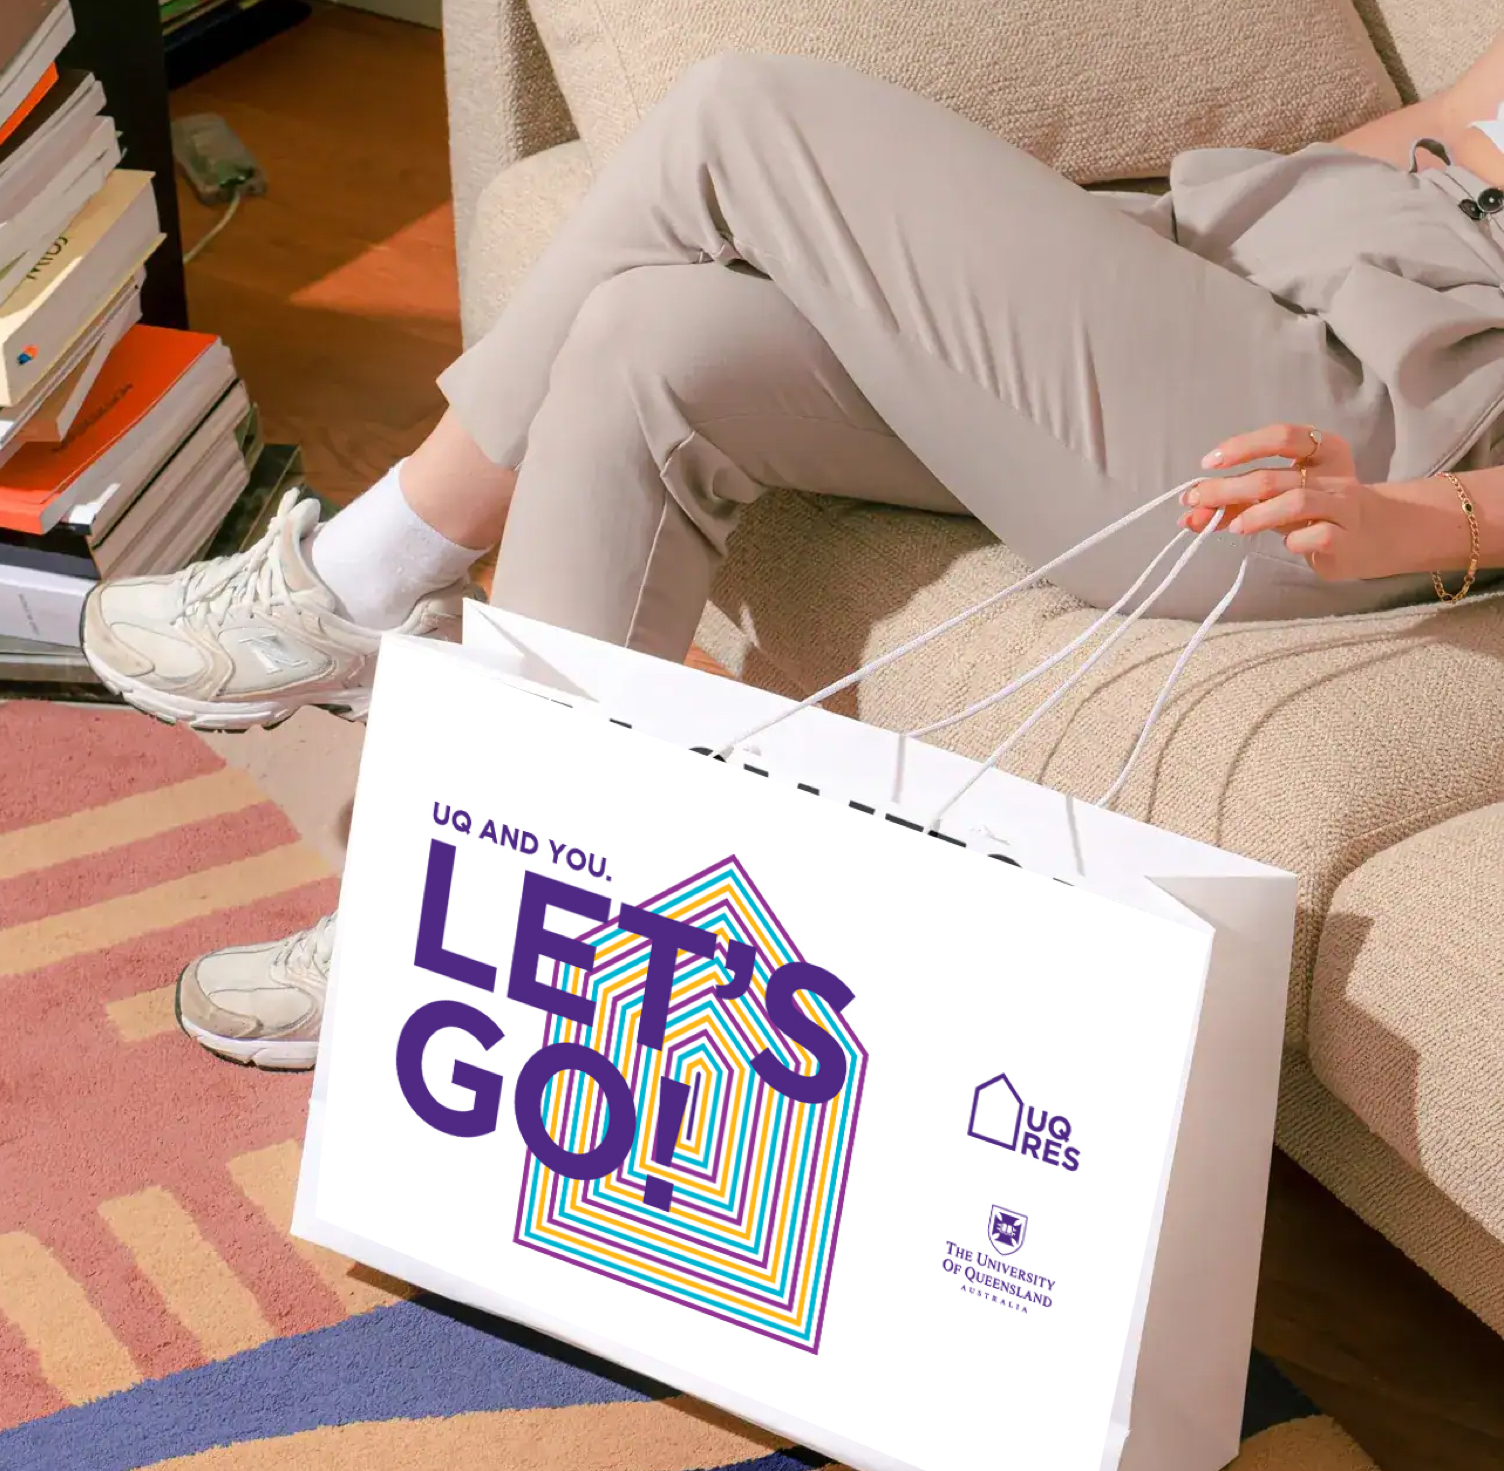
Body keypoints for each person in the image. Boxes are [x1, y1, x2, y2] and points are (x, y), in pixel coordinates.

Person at [84, 38, 1504, 1069]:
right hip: (1249, 288)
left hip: (1355, 427)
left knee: (741, 114)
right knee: (652, 343)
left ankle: (366, 580)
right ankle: (462, 932)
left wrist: (1416, 522)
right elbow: (1441, 123)